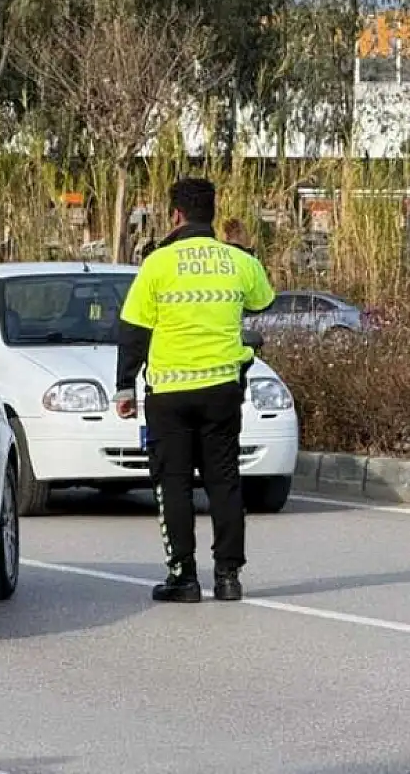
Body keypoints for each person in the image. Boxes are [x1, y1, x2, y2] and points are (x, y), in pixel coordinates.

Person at [114, 178, 275, 604]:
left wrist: (123, 387)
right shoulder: (236, 261)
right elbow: (263, 301)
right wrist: (243, 251)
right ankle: (227, 577)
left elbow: (133, 330)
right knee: (224, 481)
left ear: (175, 215)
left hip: (169, 392)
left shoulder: (158, 264)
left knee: (174, 483)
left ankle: (183, 577)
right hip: (222, 388)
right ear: (214, 213)